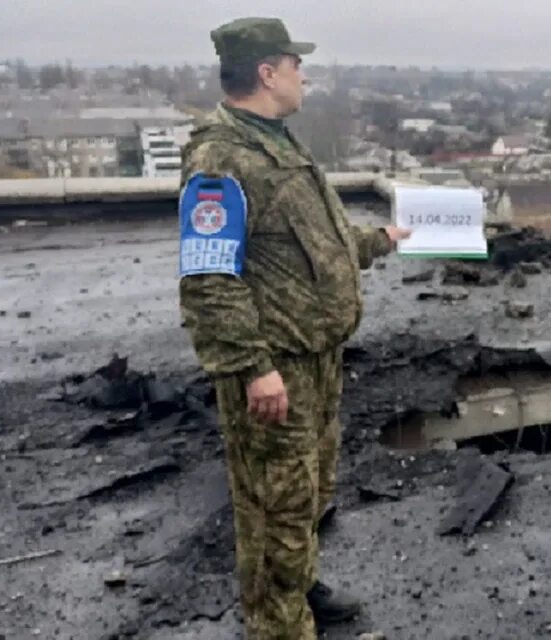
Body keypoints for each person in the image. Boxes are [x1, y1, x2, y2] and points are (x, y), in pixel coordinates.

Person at [177, 17, 411, 639]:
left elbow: (312, 244)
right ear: (267, 73)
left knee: (308, 494)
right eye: (295, 64)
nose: (303, 75)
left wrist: (380, 240)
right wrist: (255, 370)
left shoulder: (273, 142)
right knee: (274, 508)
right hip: (276, 368)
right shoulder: (221, 157)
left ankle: (303, 588)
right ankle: (280, 624)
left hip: (315, 360)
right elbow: (209, 280)